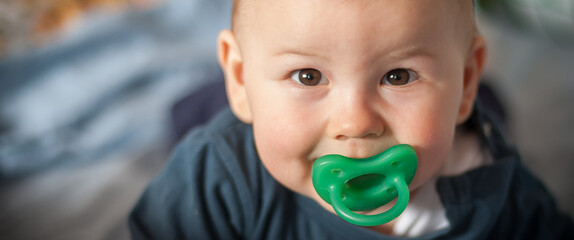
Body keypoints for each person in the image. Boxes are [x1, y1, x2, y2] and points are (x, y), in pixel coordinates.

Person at [129, 0, 574, 239]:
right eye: (308, 75)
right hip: (227, 118)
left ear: (465, 78)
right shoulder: (215, 180)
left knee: (490, 115)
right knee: (193, 115)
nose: (356, 122)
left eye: (398, 76)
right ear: (241, 79)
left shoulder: (500, 196)